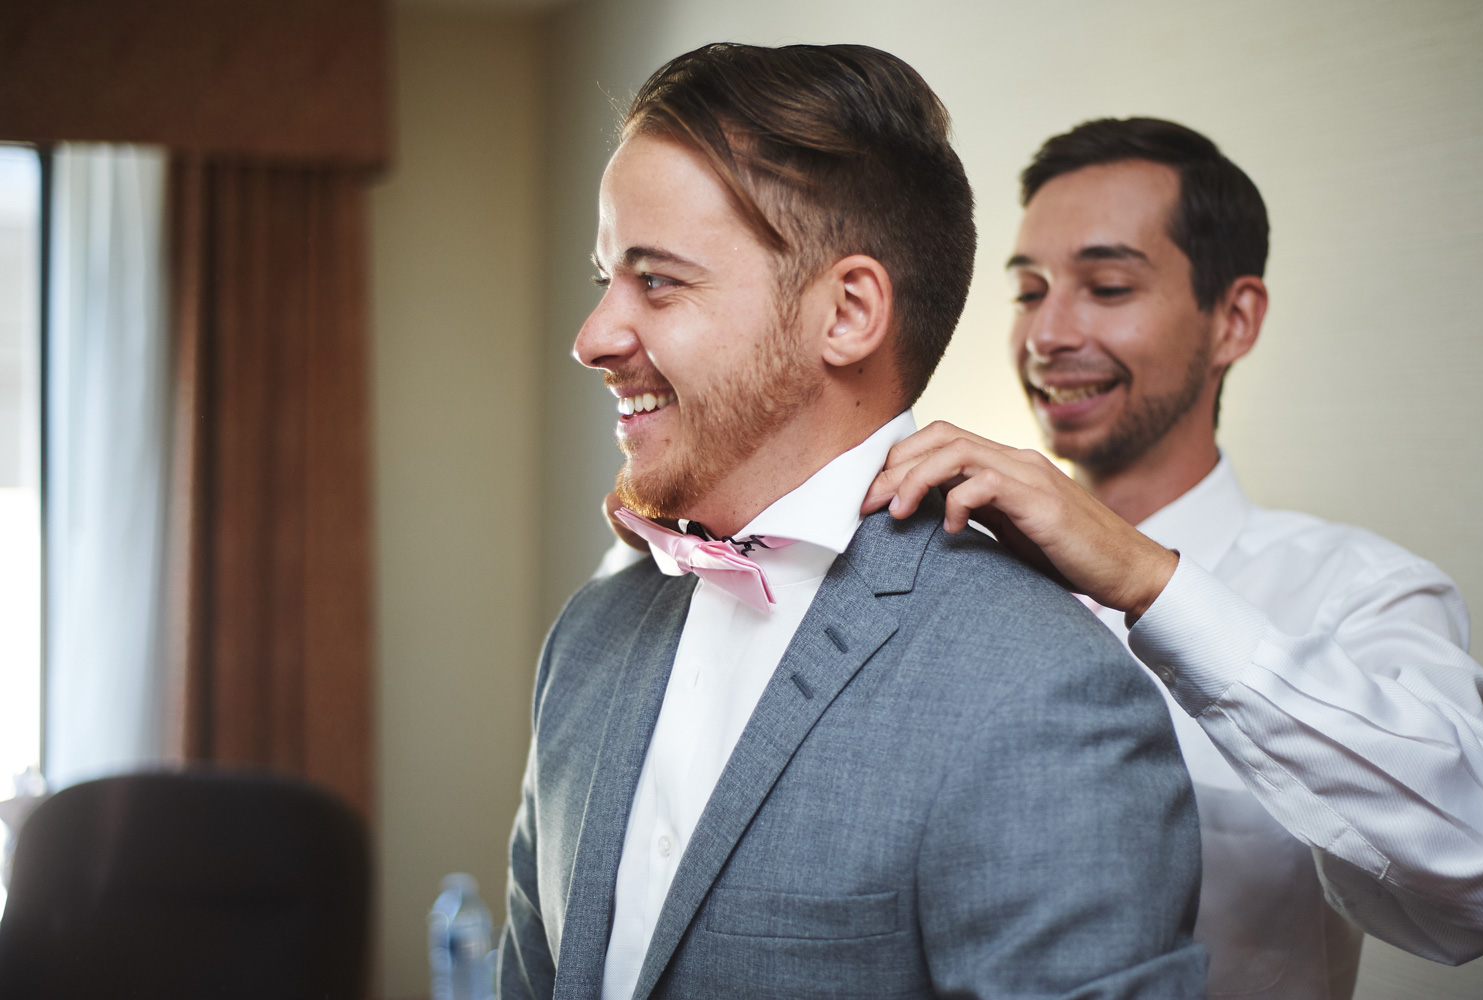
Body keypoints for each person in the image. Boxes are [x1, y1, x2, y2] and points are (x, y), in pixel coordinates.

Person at [501, 45, 1207, 1000]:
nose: (592, 340)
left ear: (846, 312)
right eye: (603, 281)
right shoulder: (589, 635)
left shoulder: (1041, 687)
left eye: (657, 281)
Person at [856, 118, 1483, 998]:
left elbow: (1477, 874)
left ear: (1232, 320)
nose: (1047, 332)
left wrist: (1149, 582)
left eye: (1107, 286)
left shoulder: (1359, 591)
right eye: (1029, 290)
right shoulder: (937, 562)